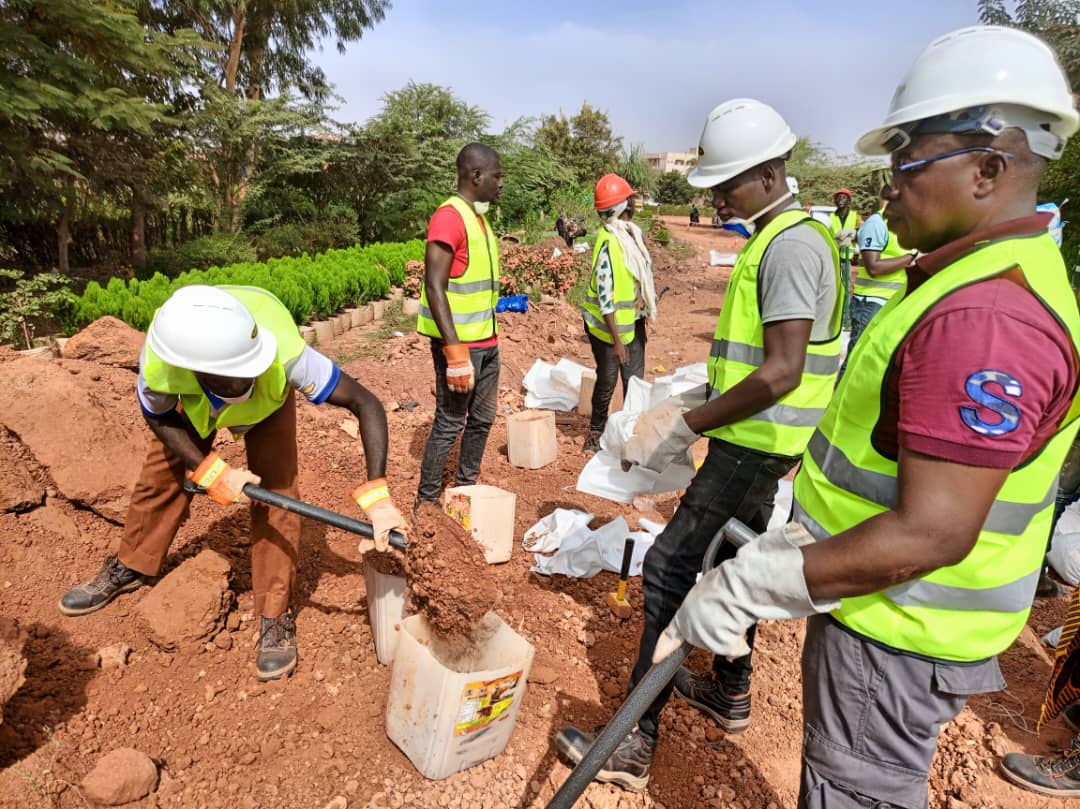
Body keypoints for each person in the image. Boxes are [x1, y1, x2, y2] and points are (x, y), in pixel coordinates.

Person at [649, 26, 1080, 808]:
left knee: (854, 790)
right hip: (882, 603)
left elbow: (932, 530)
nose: (886, 193)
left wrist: (758, 582)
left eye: (907, 166)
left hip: (901, 625)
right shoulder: (972, 279)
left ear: (990, 166)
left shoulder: (986, 317)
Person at [556, 98, 842, 790]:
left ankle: (632, 743)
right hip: (760, 443)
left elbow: (782, 369)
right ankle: (731, 688)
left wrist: (693, 421)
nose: (716, 197)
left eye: (728, 182)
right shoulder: (777, 237)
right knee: (736, 556)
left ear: (771, 173)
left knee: (667, 571)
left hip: (753, 444)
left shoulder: (793, 246)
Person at [58, 285, 406, 680]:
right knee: (161, 476)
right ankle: (130, 565)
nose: (247, 380)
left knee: (278, 495)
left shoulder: (283, 354)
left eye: (250, 371)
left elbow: (365, 403)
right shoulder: (162, 362)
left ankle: (275, 614)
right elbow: (157, 416)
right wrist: (209, 471)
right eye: (235, 379)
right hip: (191, 406)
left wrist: (377, 496)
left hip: (269, 409)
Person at [416, 143, 502, 507]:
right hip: (461, 348)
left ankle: (466, 489)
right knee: (450, 422)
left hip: (487, 341)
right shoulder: (450, 217)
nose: (501, 184)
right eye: (497, 176)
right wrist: (454, 353)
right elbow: (434, 286)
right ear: (476, 176)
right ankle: (426, 503)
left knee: (482, 419)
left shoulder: (478, 218)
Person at [580, 173, 658, 453]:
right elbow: (605, 298)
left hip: (632, 323)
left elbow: (637, 279)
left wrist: (645, 309)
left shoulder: (631, 235)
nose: (635, 204)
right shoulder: (610, 243)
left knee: (635, 381)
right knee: (608, 380)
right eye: (630, 199)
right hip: (607, 327)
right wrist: (616, 342)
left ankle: (630, 435)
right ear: (621, 206)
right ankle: (595, 434)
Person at [837, 189, 917, 377]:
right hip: (871, 304)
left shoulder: (907, 224)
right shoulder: (878, 223)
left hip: (893, 301)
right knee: (857, 361)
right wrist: (911, 258)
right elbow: (874, 267)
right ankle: (838, 403)